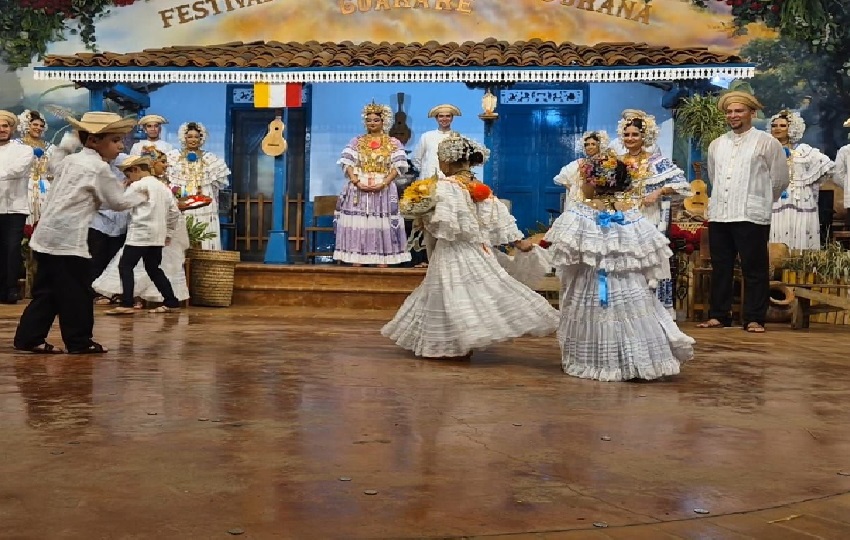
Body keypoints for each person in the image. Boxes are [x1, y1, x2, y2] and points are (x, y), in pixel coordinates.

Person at [382, 134, 559, 359]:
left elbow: (444, 225)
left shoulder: (445, 187)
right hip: (477, 251)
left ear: (447, 161)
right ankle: (460, 342)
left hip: (451, 251)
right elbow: (497, 219)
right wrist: (519, 242)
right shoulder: (479, 188)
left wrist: (423, 219)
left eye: (439, 158)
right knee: (472, 293)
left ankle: (453, 344)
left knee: (450, 294)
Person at [544, 148, 694, 381]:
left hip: (591, 282)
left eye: (583, 180)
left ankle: (602, 362)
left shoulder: (580, 214)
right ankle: (632, 361)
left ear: (594, 182)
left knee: (599, 317)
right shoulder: (632, 214)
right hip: (629, 284)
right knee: (630, 317)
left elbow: (569, 259)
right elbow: (649, 254)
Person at [13, 111, 147, 354]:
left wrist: (67, 144)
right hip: (67, 239)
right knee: (78, 292)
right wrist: (142, 191)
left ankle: (29, 338)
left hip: (46, 237)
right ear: (94, 141)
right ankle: (79, 341)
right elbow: (117, 202)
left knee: (48, 291)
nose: (120, 146)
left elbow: (58, 167)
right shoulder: (98, 168)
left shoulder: (73, 161)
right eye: (115, 140)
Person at [697, 91, 790, 333]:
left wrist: (760, 200)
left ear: (752, 113)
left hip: (751, 214)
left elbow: (779, 179)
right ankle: (719, 315)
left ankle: (754, 318)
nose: (733, 115)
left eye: (738, 111)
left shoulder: (767, 142)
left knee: (755, 268)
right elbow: (714, 177)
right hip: (720, 214)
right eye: (729, 111)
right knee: (721, 267)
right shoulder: (717, 144)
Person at [93, 148, 190, 308]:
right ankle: (171, 301)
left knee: (125, 266)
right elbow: (174, 212)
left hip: (139, 235)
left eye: (128, 174)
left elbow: (120, 205)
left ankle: (127, 303)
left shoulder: (138, 186)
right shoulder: (162, 188)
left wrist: (119, 190)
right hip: (157, 237)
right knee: (153, 268)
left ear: (136, 170)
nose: (128, 178)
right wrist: (169, 233)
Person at [617, 110, 691, 316]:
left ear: (645, 137)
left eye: (635, 135)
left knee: (651, 262)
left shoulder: (656, 161)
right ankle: (626, 310)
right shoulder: (615, 161)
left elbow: (683, 186)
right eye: (627, 135)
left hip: (648, 217)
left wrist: (659, 191)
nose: (630, 138)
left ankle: (655, 312)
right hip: (621, 219)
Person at [334, 101, 411, 267]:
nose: (372, 123)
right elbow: (347, 163)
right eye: (369, 120)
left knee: (380, 223)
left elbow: (398, 166)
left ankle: (383, 258)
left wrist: (384, 182)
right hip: (359, 187)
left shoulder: (393, 143)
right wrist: (356, 181)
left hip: (383, 188)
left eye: (376, 120)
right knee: (360, 222)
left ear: (384, 121)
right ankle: (357, 256)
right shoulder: (357, 141)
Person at [767, 109, 833, 250]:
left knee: (801, 233)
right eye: (774, 125)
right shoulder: (766, 150)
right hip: (775, 199)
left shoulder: (804, 151)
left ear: (792, 128)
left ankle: (800, 270)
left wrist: (808, 183)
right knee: (776, 232)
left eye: (782, 125)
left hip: (800, 200)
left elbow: (825, 166)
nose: (777, 128)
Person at [166, 121, 230, 250]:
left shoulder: (211, 159)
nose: (193, 140)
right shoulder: (173, 157)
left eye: (196, 137)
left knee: (205, 227)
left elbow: (218, 185)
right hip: (182, 198)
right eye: (190, 136)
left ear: (202, 138)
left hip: (204, 200)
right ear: (184, 138)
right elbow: (166, 181)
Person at [0, 110, 35, 305]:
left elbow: (17, 170)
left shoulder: (23, 150)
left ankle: (11, 288)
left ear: (11, 128)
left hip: (15, 208)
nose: (1, 129)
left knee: (12, 248)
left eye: (5, 125)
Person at [554, 130, 611, 207]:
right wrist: (574, 191)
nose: (589, 147)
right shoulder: (579, 163)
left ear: (599, 145)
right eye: (587, 145)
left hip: (600, 202)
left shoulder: (606, 163)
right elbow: (561, 177)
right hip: (580, 202)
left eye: (593, 144)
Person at [16, 109, 54, 225]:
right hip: (24, 187)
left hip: (44, 187)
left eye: (41, 126)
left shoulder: (50, 147)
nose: (39, 128)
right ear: (27, 125)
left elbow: (53, 170)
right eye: (35, 124)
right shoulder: (17, 145)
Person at [411, 104, 461, 180]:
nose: (444, 119)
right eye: (441, 116)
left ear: (452, 118)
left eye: (448, 116)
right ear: (436, 118)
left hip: (450, 181)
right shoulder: (426, 136)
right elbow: (416, 158)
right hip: (428, 180)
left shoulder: (458, 138)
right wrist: (425, 172)